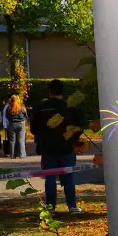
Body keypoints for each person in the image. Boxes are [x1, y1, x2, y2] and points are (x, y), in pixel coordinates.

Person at [30, 80, 85, 213]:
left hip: (47, 148)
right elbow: (81, 125)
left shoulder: (41, 107)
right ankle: (72, 206)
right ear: (62, 91)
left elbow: (33, 128)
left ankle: (50, 208)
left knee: (50, 178)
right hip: (66, 147)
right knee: (69, 177)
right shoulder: (69, 107)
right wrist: (73, 136)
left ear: (49, 91)